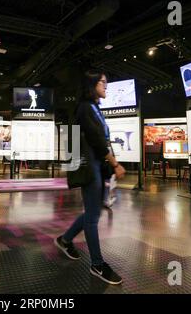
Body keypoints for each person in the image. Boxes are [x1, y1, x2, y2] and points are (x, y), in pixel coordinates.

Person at [55, 70, 126, 285]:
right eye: (103, 82)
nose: (106, 86)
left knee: (92, 213)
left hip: (97, 165)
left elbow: (100, 137)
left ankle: (65, 240)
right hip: (90, 167)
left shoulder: (95, 108)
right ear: (92, 84)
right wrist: (115, 163)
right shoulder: (85, 107)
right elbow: (96, 138)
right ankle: (97, 264)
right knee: (93, 217)